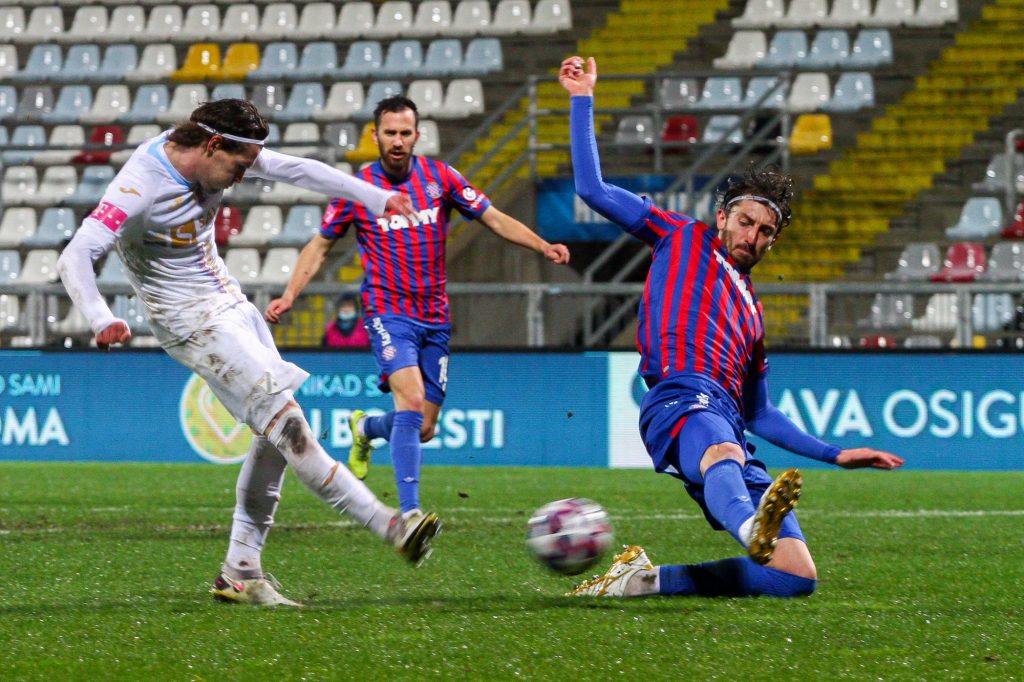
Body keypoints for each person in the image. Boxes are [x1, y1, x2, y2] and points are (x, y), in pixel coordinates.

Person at [56, 98, 441, 608]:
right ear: (213, 145)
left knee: (276, 431)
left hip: (232, 305)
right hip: (189, 322)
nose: (241, 177)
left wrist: (375, 197)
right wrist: (102, 318)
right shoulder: (140, 182)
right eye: (238, 166)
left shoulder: (224, 154)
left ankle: (240, 572)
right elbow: (76, 253)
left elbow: (300, 169)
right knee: (290, 429)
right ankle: (391, 527)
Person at [559, 57, 905, 599]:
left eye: (766, 231)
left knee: (794, 578)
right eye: (746, 221)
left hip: (725, 421)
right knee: (723, 453)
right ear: (722, 216)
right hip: (679, 401)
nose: (754, 235)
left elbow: (759, 411)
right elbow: (593, 188)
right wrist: (583, 99)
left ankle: (644, 581)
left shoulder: (752, 312)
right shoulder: (677, 235)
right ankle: (751, 529)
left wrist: (835, 453)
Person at [265, 95, 571, 518]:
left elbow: (493, 217)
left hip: (434, 316)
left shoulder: (440, 178)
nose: (397, 140)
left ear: (417, 136)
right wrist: (290, 295)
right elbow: (320, 245)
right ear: (375, 135)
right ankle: (409, 514)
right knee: (409, 403)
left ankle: (366, 428)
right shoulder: (359, 189)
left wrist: (542, 245)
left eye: (405, 133)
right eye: (389, 132)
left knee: (423, 427)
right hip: (387, 311)